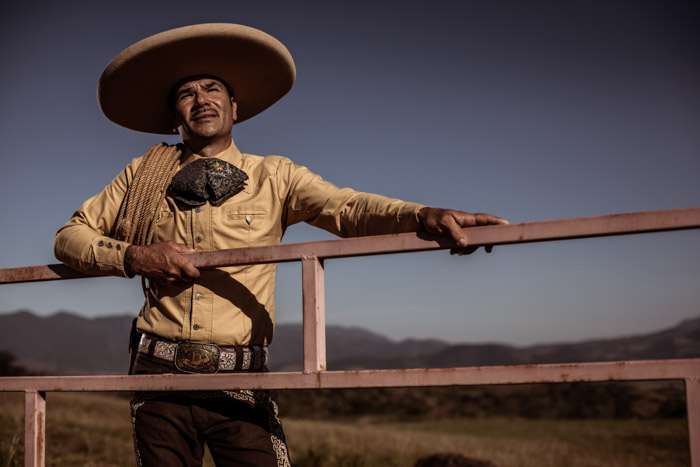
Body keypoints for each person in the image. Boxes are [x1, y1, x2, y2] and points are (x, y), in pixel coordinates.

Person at [54, 23, 507, 467]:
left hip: (241, 376)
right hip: (157, 372)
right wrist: (136, 256)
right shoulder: (143, 174)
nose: (201, 100)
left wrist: (422, 215)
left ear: (234, 106)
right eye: (186, 94)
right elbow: (69, 237)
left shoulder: (277, 175)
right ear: (175, 116)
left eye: (212, 89)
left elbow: (346, 208)